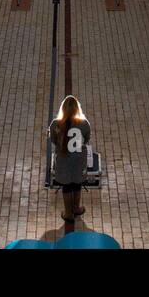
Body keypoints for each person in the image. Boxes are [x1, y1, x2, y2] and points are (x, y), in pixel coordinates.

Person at [49, 95, 92, 227]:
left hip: (63, 159)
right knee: (77, 184)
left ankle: (68, 213)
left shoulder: (56, 124)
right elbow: (87, 139)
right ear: (77, 109)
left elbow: (54, 141)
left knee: (67, 186)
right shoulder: (84, 124)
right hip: (79, 159)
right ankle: (76, 208)